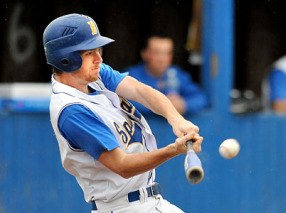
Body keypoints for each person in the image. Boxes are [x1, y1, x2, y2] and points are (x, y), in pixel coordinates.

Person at [43, 14, 203, 213]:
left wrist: (176, 119)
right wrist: (173, 150)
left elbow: (140, 91)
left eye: (98, 50)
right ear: (66, 59)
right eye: (89, 53)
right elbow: (123, 166)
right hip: (123, 207)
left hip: (148, 201)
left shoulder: (96, 75)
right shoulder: (72, 111)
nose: (99, 58)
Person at [125, 35, 208, 115]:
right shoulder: (132, 75)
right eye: (156, 53)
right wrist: (159, 105)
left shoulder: (177, 74)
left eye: (167, 53)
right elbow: (123, 100)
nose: (162, 59)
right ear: (144, 54)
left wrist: (183, 104)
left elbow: (201, 99)